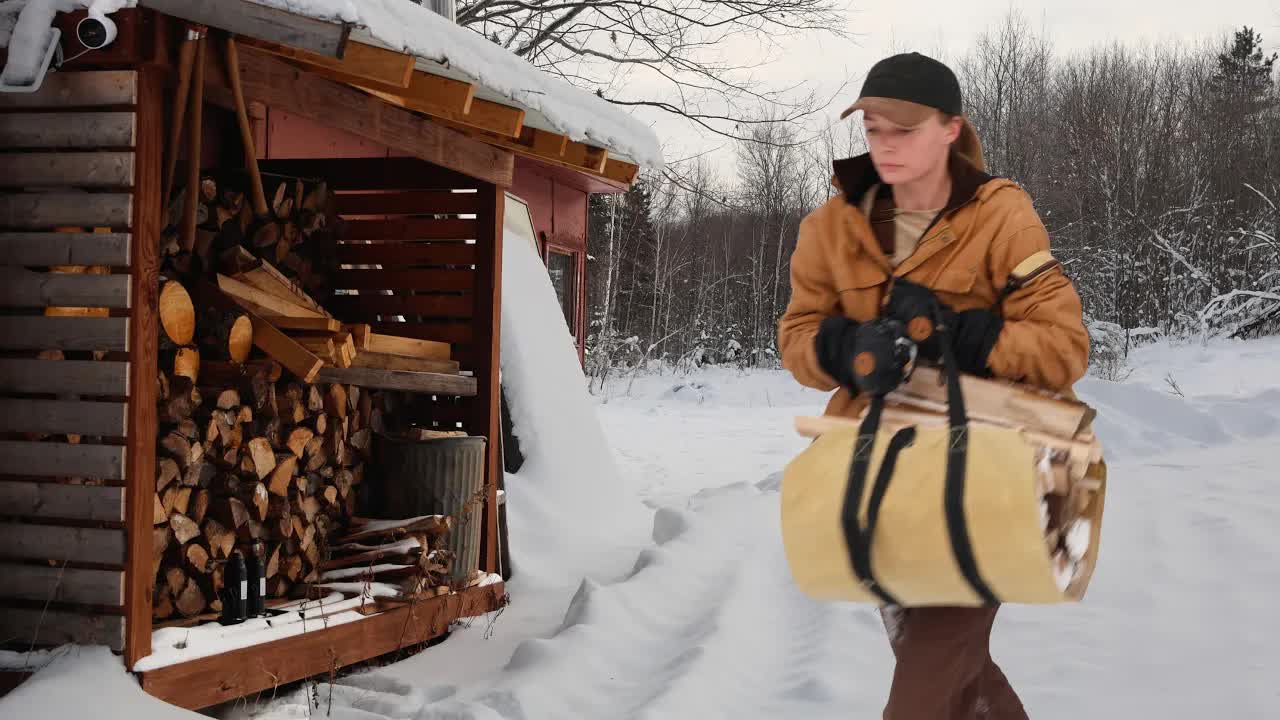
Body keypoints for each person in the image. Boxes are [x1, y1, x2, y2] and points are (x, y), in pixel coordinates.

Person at [777, 52, 1090, 720]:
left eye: (905, 129)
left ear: (951, 129)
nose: (885, 145)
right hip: (879, 484)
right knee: (960, 683)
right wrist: (844, 349)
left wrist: (967, 335)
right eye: (874, 130)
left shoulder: (1002, 215)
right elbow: (797, 335)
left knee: (924, 686)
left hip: (983, 477)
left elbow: (1066, 348)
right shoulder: (829, 230)